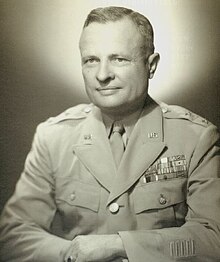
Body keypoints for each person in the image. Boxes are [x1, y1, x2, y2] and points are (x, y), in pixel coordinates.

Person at [0, 6, 219, 262]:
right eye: (91, 60)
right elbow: (13, 235)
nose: (102, 75)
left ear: (151, 65)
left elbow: (213, 239)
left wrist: (119, 246)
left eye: (119, 59)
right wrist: (73, 254)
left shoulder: (196, 138)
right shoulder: (53, 137)